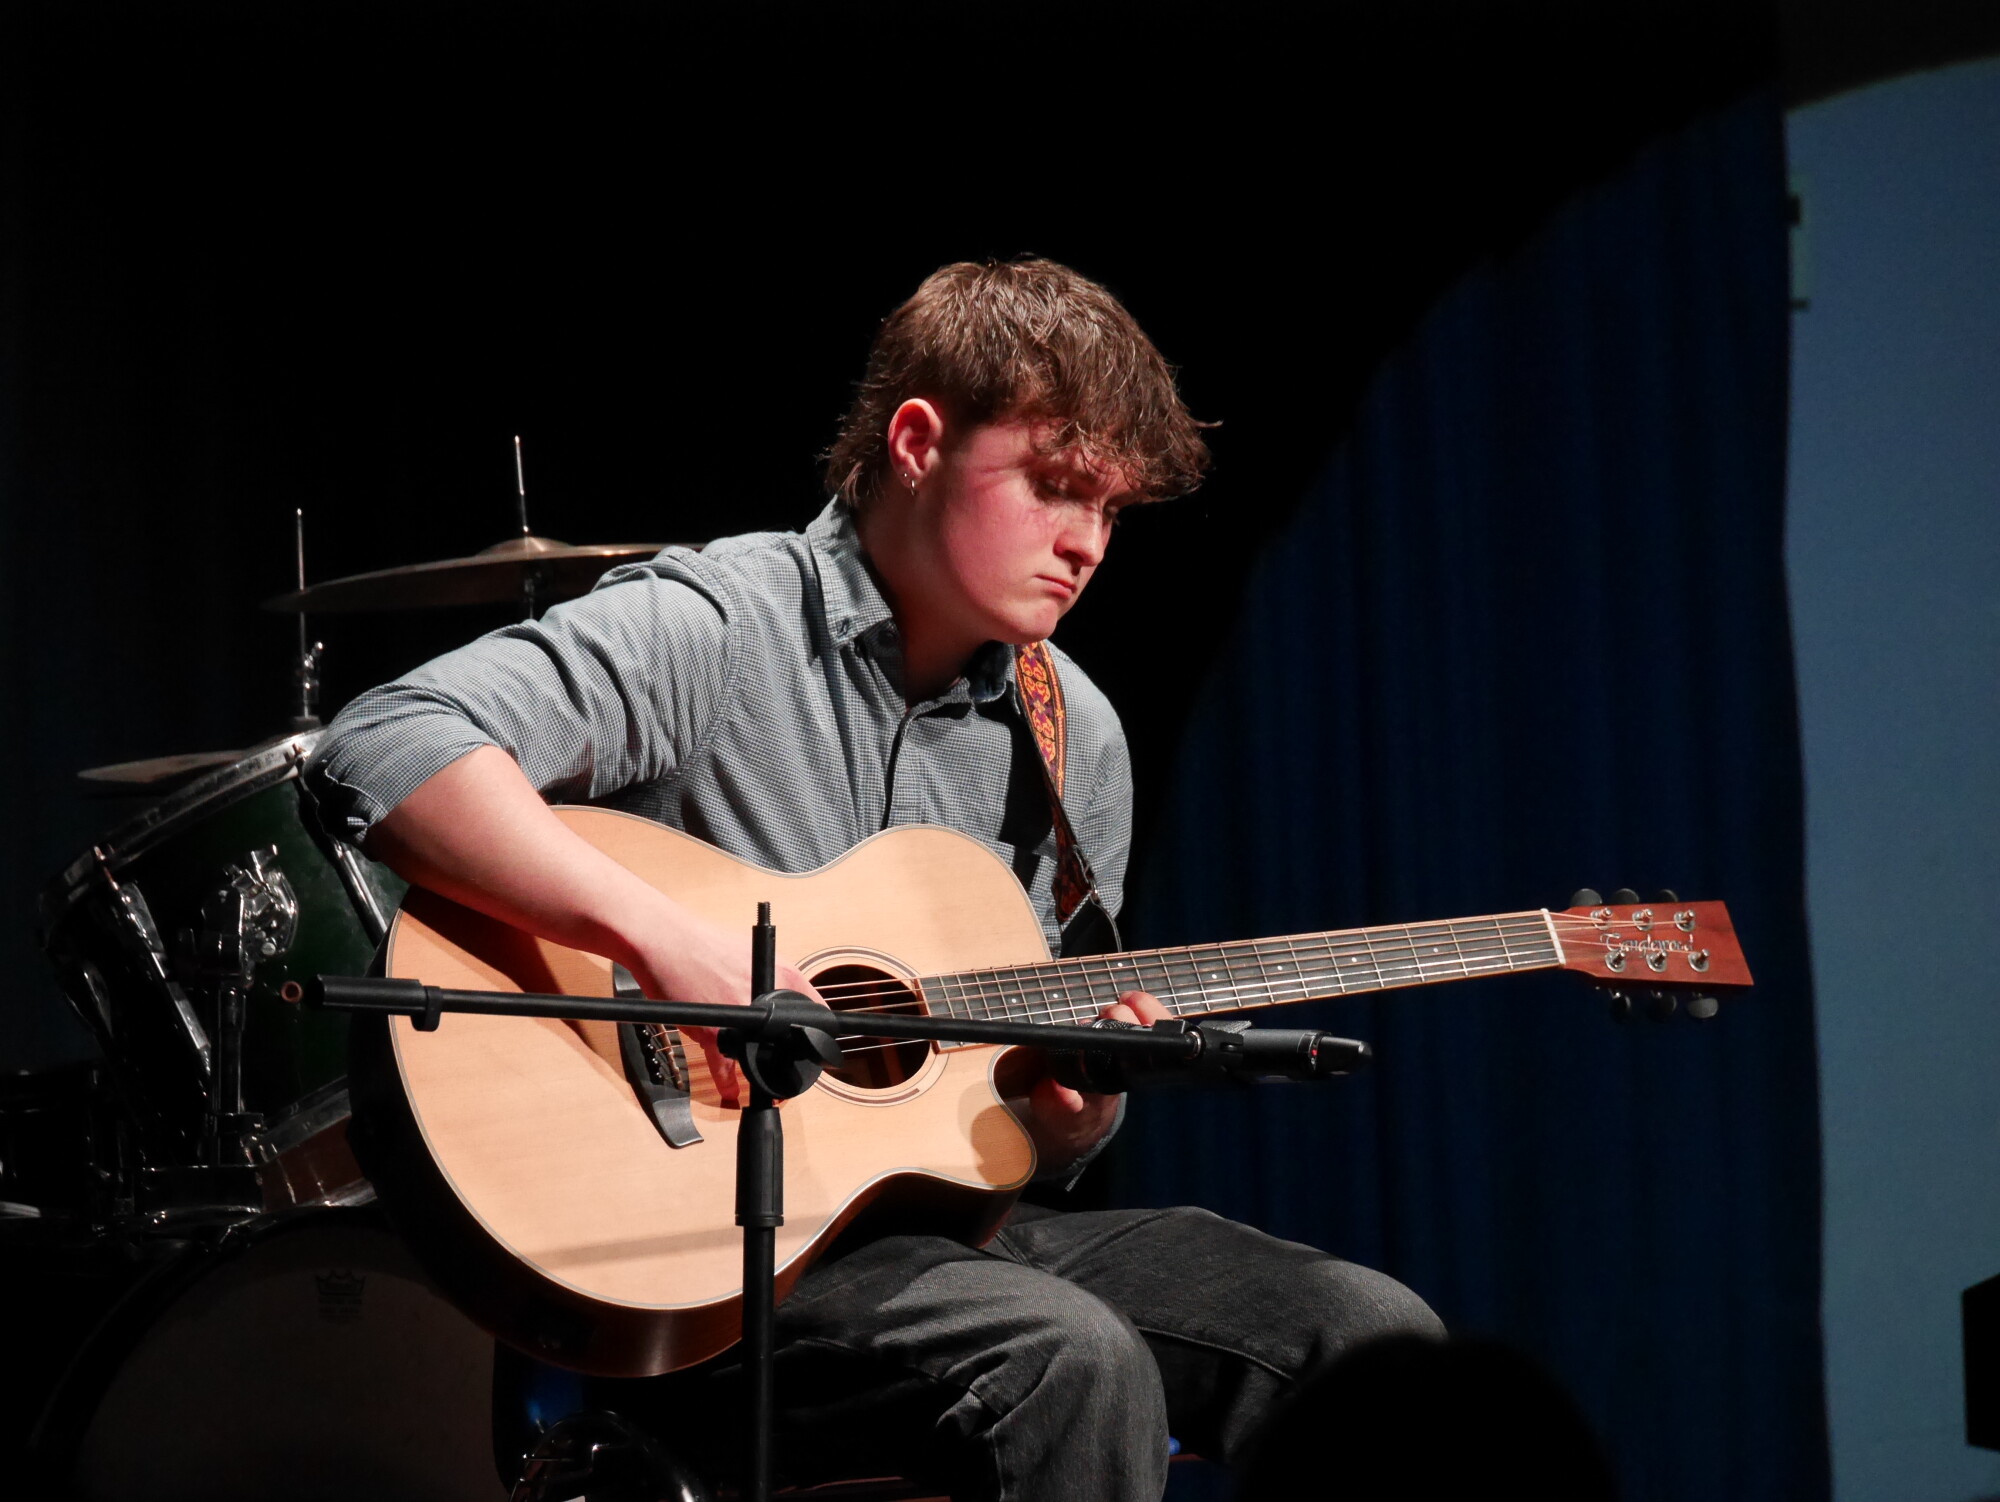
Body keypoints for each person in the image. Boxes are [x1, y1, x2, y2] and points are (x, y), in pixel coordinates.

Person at [308, 258, 1443, 1501]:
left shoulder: (1077, 737)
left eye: (1110, 510)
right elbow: (388, 740)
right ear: (915, 442)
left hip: (941, 1241)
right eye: (1054, 486)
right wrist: (660, 941)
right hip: (702, 1244)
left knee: (1371, 1338)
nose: (1084, 543)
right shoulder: (724, 624)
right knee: (1071, 1359)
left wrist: (1073, 1113)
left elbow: (1021, 1130)